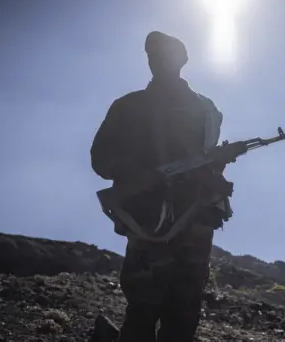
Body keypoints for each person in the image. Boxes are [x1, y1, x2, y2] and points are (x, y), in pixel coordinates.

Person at [90, 31, 230, 342]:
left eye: (165, 55)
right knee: (142, 310)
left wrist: (213, 169)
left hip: (194, 219)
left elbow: (209, 156)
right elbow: (101, 159)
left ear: (182, 60)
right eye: (153, 56)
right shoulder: (129, 107)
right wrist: (141, 175)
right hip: (148, 221)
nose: (159, 61)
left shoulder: (207, 110)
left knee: (184, 313)